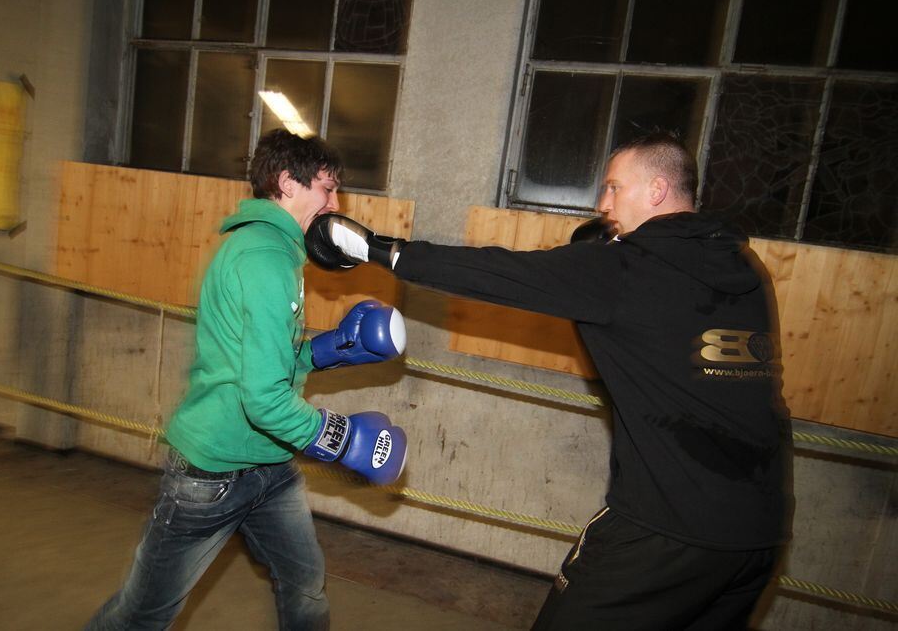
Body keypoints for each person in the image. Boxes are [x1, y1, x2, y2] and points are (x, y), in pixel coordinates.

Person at [305, 131, 793, 630]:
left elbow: (496, 273)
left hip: (666, 528)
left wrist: (374, 248)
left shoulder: (625, 268)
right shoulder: (745, 267)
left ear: (656, 191)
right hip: (759, 532)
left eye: (613, 188)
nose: (602, 203)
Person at [86, 129, 409, 631]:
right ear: (287, 183)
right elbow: (263, 399)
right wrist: (342, 440)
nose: (336, 202)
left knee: (304, 584)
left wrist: (332, 350)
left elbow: (268, 366)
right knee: (141, 616)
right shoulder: (264, 258)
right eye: (327, 188)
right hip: (212, 472)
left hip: (269, 465)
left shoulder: (275, 251)